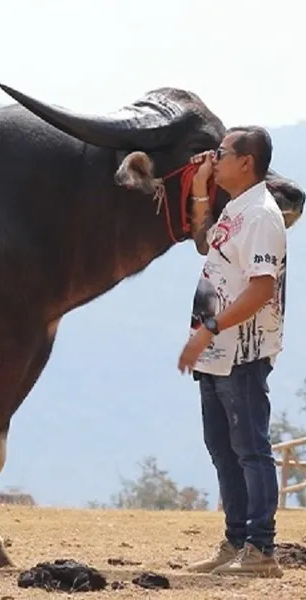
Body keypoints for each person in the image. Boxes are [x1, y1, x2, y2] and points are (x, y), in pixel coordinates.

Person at [178, 126, 286, 578]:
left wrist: (209, 328)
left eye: (221, 154)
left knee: (250, 449)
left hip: (241, 351)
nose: (213, 159)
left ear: (247, 161)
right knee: (222, 449)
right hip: (216, 352)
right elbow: (207, 245)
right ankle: (236, 539)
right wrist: (202, 188)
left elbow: (261, 289)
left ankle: (261, 549)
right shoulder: (236, 211)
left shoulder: (261, 215)